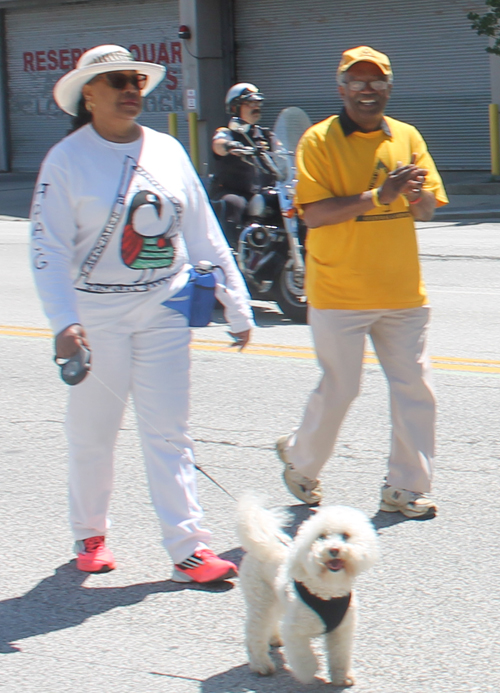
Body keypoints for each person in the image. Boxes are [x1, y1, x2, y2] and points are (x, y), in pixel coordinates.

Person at [30, 45, 253, 581]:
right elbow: (47, 248)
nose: (130, 89)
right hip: (96, 315)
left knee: (169, 431)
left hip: (165, 306)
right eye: (114, 82)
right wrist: (64, 322)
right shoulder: (66, 161)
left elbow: (203, 232)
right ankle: (90, 533)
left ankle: (188, 547)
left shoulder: (168, 150)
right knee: (93, 431)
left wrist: (238, 303)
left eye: (135, 80)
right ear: (88, 94)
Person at [276, 46, 448, 519]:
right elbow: (313, 214)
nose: (367, 89)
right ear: (342, 88)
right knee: (342, 387)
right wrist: (380, 195)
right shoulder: (318, 141)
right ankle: (301, 463)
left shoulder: (408, 137)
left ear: (388, 89)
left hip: (401, 293)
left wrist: (415, 196)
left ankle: (404, 487)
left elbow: (429, 206)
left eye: (376, 81)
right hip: (339, 294)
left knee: (416, 387)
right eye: (358, 81)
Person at [210, 83, 282, 246]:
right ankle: (231, 251)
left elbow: (283, 151)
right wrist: (229, 146)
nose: (256, 107)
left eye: (257, 103)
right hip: (237, 191)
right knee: (234, 203)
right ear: (235, 107)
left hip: (264, 192)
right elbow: (218, 144)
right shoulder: (227, 133)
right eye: (250, 103)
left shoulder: (265, 135)